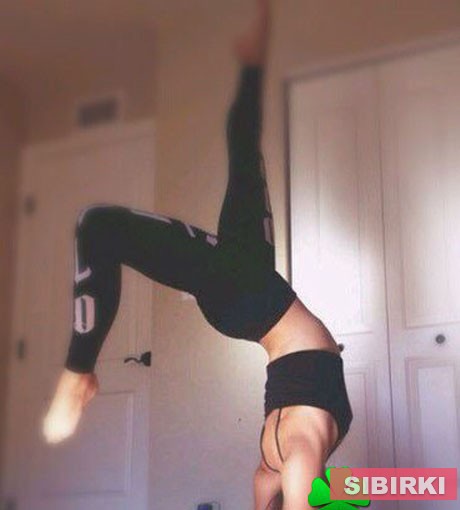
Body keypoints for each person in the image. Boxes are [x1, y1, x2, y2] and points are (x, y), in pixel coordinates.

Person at [42, 1, 352, 508]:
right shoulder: (270, 467)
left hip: (251, 296)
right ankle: (252, 59)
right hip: (253, 300)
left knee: (99, 226)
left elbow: (306, 495)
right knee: (244, 150)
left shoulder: (296, 458)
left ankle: (79, 374)